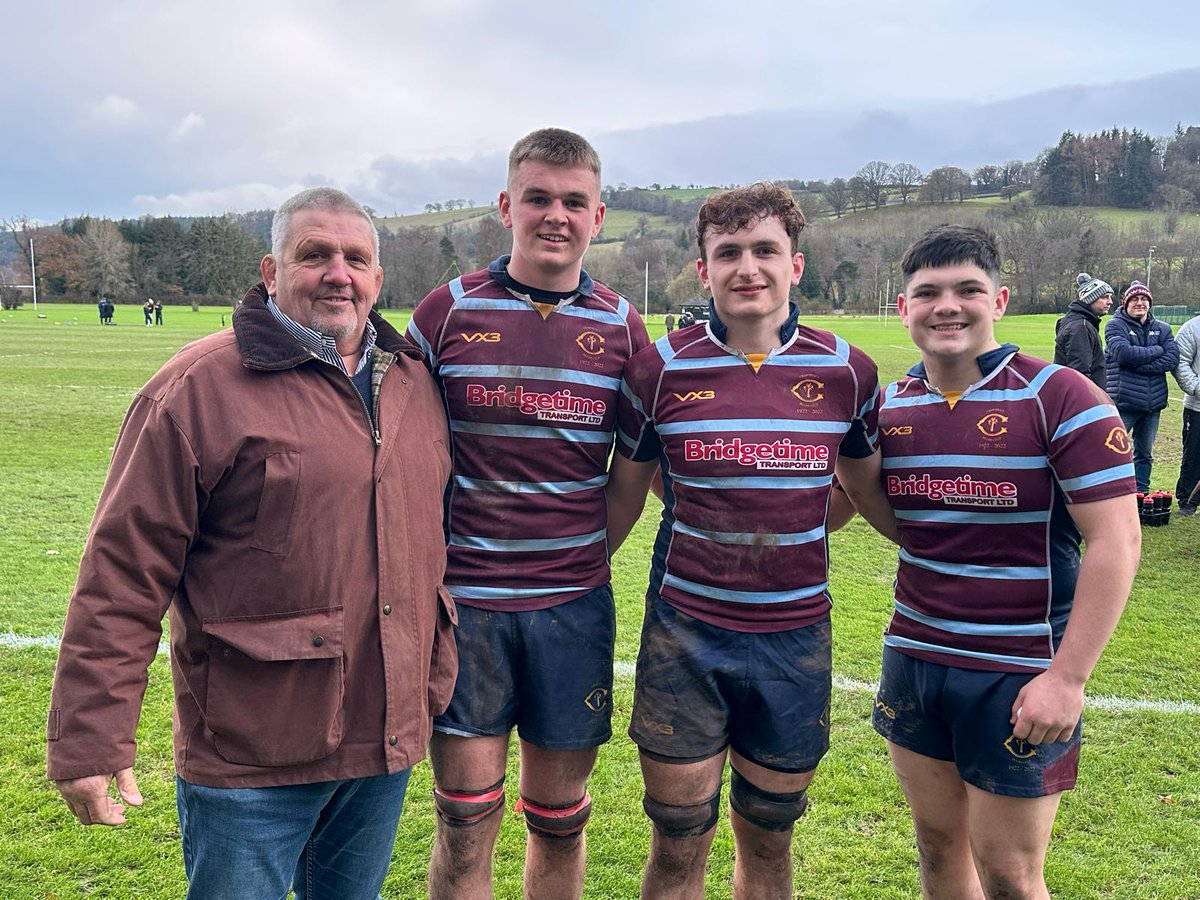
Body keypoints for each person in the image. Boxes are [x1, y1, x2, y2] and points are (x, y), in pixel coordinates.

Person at [46, 187, 456, 899]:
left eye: (356, 258)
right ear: (271, 272)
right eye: (315, 255)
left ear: (379, 280)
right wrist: (90, 736)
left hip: (382, 739)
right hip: (252, 749)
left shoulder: (415, 383)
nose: (339, 274)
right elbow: (123, 571)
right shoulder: (197, 389)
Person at [605, 183, 897, 900]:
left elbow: (863, 491)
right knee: (677, 842)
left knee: (769, 843)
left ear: (796, 265)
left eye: (766, 250)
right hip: (684, 637)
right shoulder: (657, 368)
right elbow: (632, 486)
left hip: (795, 641)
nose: (748, 267)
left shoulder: (848, 371)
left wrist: (784, 522)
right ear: (703, 271)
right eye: (727, 252)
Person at [406, 128, 649, 900]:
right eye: (538, 198)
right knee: (464, 821)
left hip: (572, 610)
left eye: (573, 202)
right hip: (464, 608)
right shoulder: (445, 311)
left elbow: (628, 483)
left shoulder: (622, 327)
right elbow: (403, 456)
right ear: (507, 205)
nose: (555, 216)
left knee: (558, 818)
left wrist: (573, 561)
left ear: (598, 215)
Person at [873, 225, 1141, 898]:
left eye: (968, 290)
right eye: (927, 292)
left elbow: (1118, 541)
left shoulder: (1063, 396)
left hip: (1020, 672)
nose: (947, 306)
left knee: (1011, 873)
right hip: (915, 658)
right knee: (938, 852)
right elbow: (910, 529)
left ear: (1000, 300)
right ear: (903, 309)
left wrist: (1068, 678)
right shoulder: (892, 406)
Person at [1105, 280, 1179, 492]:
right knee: (1113, 451)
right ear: (1126, 303)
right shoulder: (1115, 325)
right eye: (1135, 299)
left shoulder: (1163, 329)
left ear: (1150, 303)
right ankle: (1111, 492)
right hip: (1124, 402)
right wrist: (1157, 350)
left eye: (1144, 299)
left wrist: (1137, 364)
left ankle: (1141, 493)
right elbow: (1123, 354)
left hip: (1152, 406)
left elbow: (1172, 359)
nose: (1140, 303)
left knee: (1145, 454)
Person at [1053, 272, 1112, 389]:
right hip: (1085, 400)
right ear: (1090, 299)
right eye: (1105, 297)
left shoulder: (1078, 322)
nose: (1110, 302)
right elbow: (1079, 374)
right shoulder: (1081, 327)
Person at [1172, 311, 1200, 515]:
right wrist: (1197, 388)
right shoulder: (1192, 328)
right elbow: (1179, 362)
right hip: (1197, 408)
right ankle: (1188, 501)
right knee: (1194, 454)